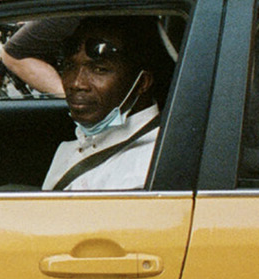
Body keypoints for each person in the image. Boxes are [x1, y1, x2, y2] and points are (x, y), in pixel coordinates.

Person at [42, 17, 173, 192]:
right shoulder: (85, 141)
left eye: (99, 69)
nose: (76, 82)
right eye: (69, 66)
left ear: (142, 83)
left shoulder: (145, 169)